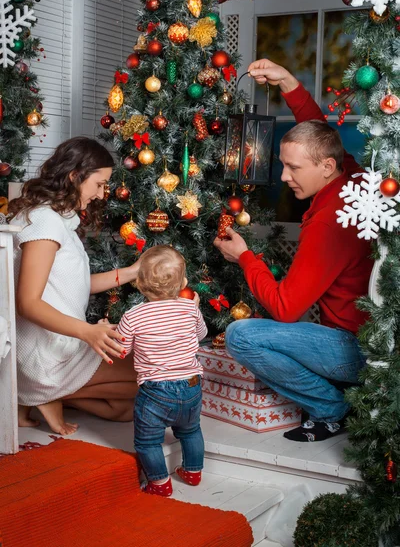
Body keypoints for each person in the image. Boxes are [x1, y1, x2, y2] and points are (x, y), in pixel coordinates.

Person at [214, 59, 373, 443]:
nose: (284, 177)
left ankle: (331, 407)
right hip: (371, 340)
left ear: (326, 167)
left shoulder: (328, 222)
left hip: (357, 351)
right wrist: (287, 82)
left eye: (293, 168)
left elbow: (287, 309)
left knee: (242, 336)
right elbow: (320, 135)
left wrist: (245, 258)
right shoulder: (353, 180)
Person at [9, 137, 139, 436]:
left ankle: (38, 397)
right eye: (99, 184)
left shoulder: (56, 219)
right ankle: (40, 392)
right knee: (150, 372)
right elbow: (28, 303)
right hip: (46, 350)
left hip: (60, 342)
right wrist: (88, 332)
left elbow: (73, 285)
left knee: (124, 410)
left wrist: (133, 271)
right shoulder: (45, 222)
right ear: (74, 176)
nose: (102, 193)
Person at [113, 245, 207, 497]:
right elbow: (200, 336)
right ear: (183, 282)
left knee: (147, 441)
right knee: (191, 430)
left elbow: (122, 350)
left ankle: (160, 483)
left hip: (156, 389)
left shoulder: (133, 316)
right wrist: (194, 309)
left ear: (140, 284)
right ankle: (193, 472)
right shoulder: (190, 309)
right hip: (191, 384)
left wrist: (109, 330)